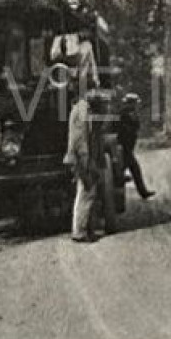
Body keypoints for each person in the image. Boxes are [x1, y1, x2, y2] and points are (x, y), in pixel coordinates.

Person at [65, 92, 105, 242]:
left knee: (87, 192)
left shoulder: (82, 109)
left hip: (83, 157)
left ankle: (86, 230)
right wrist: (85, 162)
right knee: (86, 192)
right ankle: (79, 231)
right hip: (82, 158)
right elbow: (80, 139)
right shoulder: (82, 111)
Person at [117, 93, 155, 200]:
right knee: (133, 169)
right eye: (135, 103)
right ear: (131, 103)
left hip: (125, 147)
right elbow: (135, 125)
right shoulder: (127, 113)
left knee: (130, 169)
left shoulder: (124, 112)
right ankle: (143, 193)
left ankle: (143, 192)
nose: (136, 105)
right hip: (125, 147)